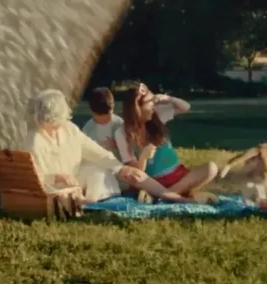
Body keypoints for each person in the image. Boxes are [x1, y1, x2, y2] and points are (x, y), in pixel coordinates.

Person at [24, 89, 186, 203]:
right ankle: (86, 204)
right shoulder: (34, 140)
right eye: (52, 123)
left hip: (74, 181)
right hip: (53, 189)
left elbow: (97, 153)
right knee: (98, 174)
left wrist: (121, 168)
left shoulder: (69, 129)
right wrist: (56, 177)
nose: (57, 126)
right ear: (41, 119)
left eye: (58, 121)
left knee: (105, 170)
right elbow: (34, 177)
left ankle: (172, 196)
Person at [114, 83, 219, 199]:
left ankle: (166, 196)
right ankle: (175, 194)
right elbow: (136, 174)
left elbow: (185, 107)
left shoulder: (157, 116)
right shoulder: (122, 133)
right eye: (150, 103)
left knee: (211, 168)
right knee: (144, 183)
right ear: (137, 107)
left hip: (179, 175)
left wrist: (168, 98)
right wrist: (144, 157)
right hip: (153, 182)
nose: (154, 106)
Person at [80, 87, 123, 159]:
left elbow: (131, 148)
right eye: (100, 117)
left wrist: (117, 144)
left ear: (113, 108)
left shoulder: (119, 125)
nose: (104, 121)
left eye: (108, 116)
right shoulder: (88, 129)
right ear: (92, 112)